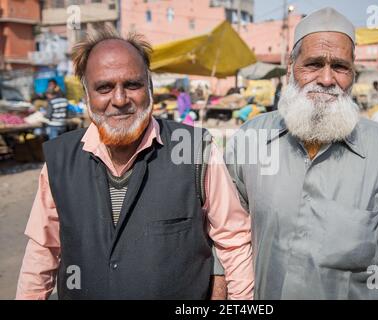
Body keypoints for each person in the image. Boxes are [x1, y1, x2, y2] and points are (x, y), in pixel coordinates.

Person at [16, 28, 254, 300]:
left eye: (132, 85)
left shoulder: (195, 150)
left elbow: (234, 242)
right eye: (104, 87)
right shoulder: (61, 161)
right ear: (86, 95)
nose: (119, 100)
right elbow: (42, 252)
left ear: (149, 88)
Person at [225, 7, 378, 300]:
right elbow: (226, 238)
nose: (326, 78)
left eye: (340, 67)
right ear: (291, 67)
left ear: (352, 74)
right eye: (313, 64)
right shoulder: (250, 140)